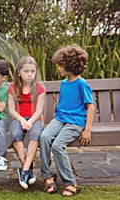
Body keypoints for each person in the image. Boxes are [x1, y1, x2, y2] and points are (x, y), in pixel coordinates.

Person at [40, 44, 94, 196]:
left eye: (61, 66)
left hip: (75, 122)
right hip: (60, 119)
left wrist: (87, 130)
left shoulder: (82, 84)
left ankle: (71, 183)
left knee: (57, 145)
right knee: (44, 137)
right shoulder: (64, 83)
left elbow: (90, 107)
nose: (59, 69)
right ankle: (47, 176)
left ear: (71, 66)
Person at [8, 56, 46, 189]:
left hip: (35, 119)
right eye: (26, 71)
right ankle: (27, 168)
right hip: (18, 118)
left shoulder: (39, 89)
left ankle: (23, 171)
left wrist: (30, 121)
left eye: (32, 71)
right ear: (19, 72)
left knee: (35, 134)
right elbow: (11, 110)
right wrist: (23, 120)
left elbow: (39, 110)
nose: (30, 74)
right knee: (14, 134)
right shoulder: (13, 88)